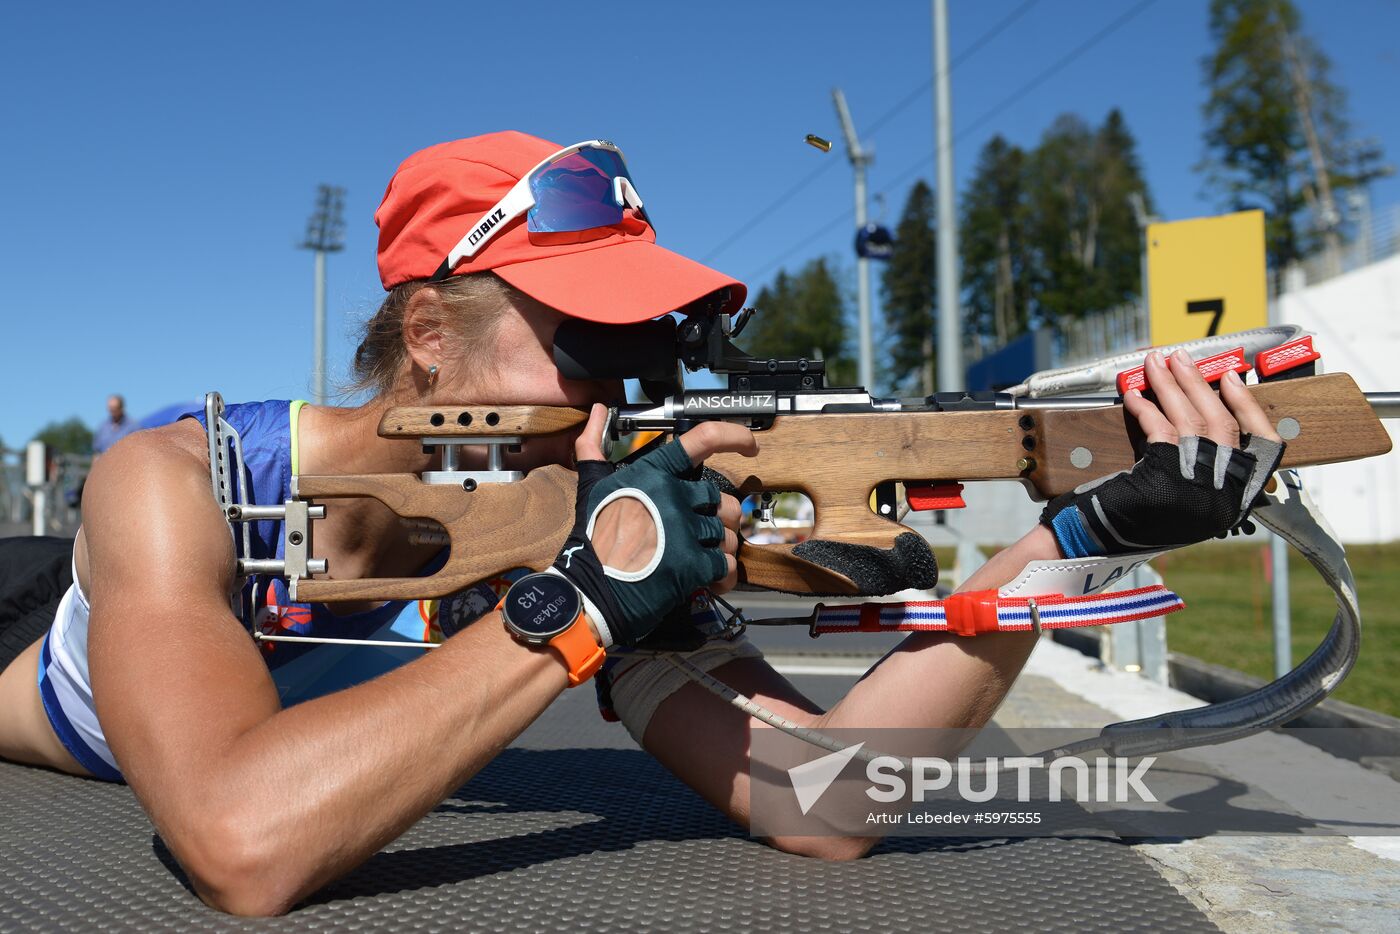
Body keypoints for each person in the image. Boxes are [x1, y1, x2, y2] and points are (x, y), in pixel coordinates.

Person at [0, 131, 1284, 916]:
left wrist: (1066, 545)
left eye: (641, 347)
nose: (622, 392)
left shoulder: (574, 514)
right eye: (583, 344)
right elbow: (237, 842)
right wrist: (581, 608)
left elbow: (823, 801)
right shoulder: (174, 480)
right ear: (430, 340)